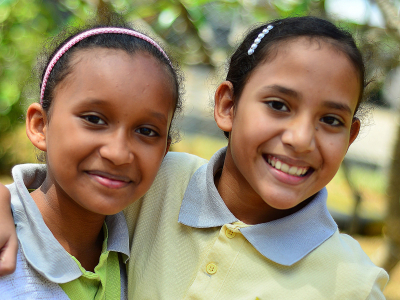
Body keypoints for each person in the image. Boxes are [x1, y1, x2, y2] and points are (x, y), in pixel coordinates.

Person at [0, 16, 389, 299]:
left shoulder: (352, 283)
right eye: (277, 105)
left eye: (331, 120)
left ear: (351, 136)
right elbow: (61, 195)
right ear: (227, 107)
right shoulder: (157, 185)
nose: (301, 139)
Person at [0, 14, 207, 299]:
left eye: (146, 131)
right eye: (94, 120)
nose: (118, 153)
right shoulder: (6, 253)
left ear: (165, 152)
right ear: (40, 125)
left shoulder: (142, 252)